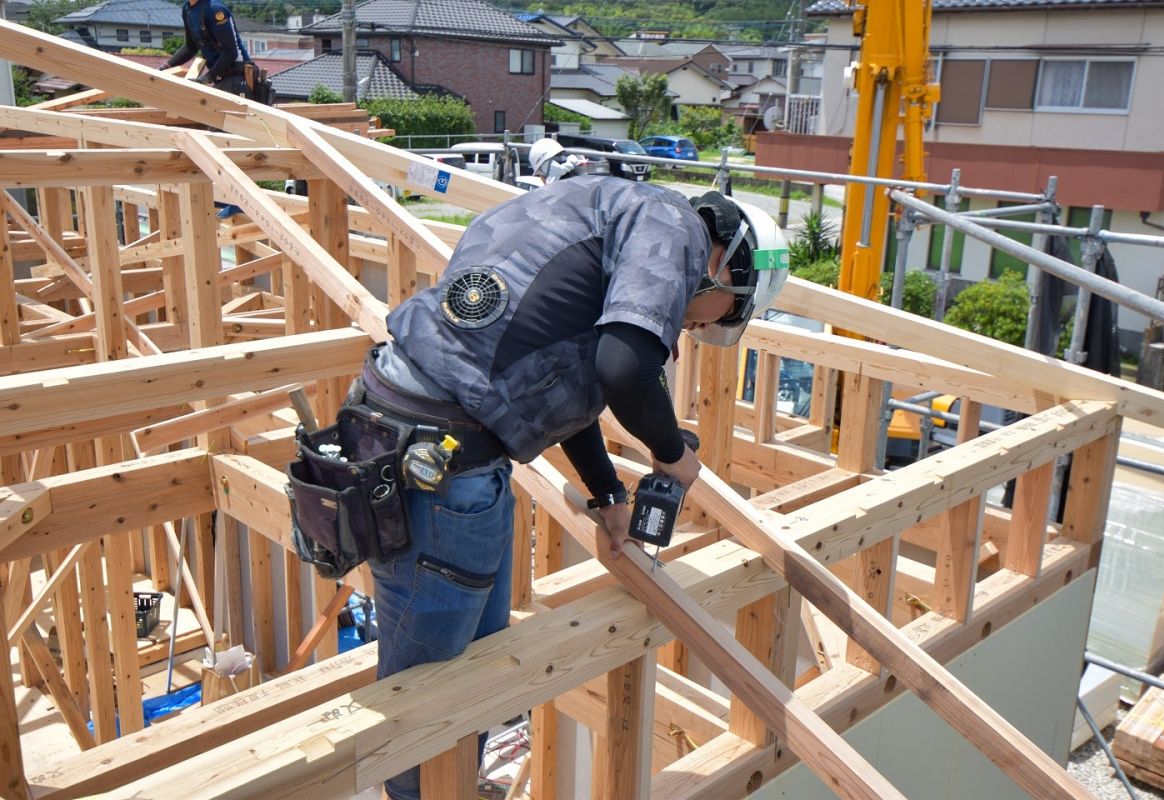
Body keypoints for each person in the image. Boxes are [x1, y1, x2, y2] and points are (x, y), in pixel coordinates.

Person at [355, 176, 788, 799]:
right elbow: (623, 370)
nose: (696, 329)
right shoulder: (674, 230)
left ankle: (442, 788)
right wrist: (674, 457)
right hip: (441, 464)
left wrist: (608, 494)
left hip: (437, 445)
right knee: (428, 694)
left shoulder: (597, 206)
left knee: (476, 659)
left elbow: (566, 382)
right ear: (729, 264)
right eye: (728, 315)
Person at [164, 0, 257, 218]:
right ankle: (229, 197)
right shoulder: (188, 9)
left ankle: (240, 200)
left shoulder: (215, 10)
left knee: (225, 140)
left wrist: (208, 77)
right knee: (214, 138)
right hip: (220, 79)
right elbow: (191, 46)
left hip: (237, 78)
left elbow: (231, 52)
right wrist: (166, 67)